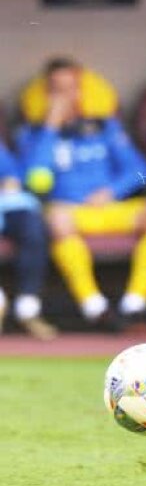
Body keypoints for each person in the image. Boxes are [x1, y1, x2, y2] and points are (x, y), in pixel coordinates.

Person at [17, 57, 146, 330]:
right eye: (57, 89)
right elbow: (35, 181)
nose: (65, 96)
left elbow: (138, 169)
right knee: (56, 218)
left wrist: (112, 191)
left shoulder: (105, 127)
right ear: (46, 94)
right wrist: (51, 127)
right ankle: (94, 307)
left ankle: (135, 303)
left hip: (110, 207)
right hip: (70, 213)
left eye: (71, 88)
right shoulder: (32, 134)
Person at [0, 139, 56, 339]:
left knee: (34, 229)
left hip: (10, 205)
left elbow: (11, 175)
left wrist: (10, 181)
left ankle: (27, 308)